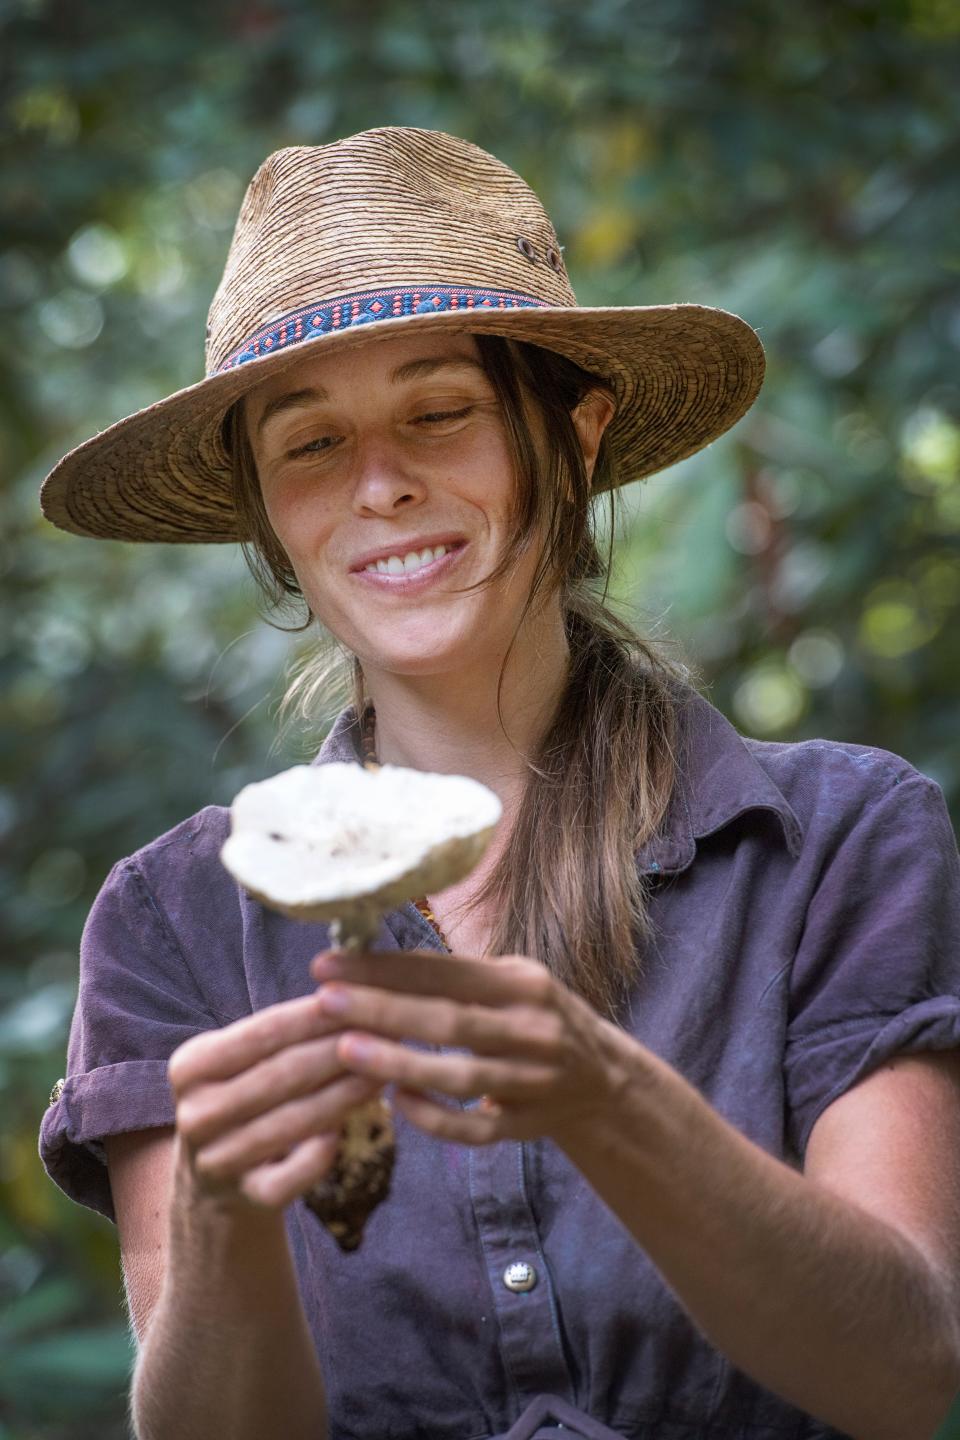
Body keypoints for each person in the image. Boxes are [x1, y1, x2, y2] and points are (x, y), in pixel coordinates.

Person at [37, 126, 960, 1440]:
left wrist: (608, 1097)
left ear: (573, 440)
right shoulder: (171, 921)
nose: (380, 485)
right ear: (269, 517)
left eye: (439, 413)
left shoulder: (837, 843)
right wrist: (222, 1213)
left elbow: (905, 1373)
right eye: (310, 444)